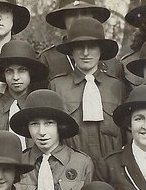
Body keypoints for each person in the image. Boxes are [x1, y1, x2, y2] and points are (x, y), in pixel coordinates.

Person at [11, 89, 94, 190]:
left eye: (49, 123)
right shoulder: (19, 163)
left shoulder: (82, 163)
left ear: (59, 126)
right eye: (34, 124)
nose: (41, 132)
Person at [48, 18, 125, 161]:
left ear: (101, 50)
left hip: (111, 170)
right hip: (71, 171)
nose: (85, 53)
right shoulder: (57, 86)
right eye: (79, 47)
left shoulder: (116, 87)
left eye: (92, 46)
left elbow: (127, 133)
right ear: (71, 51)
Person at [39, 0, 123, 80]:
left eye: (84, 13)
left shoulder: (112, 63)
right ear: (63, 18)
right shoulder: (48, 59)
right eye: (72, 14)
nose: (78, 19)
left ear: (93, 16)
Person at [0, 38, 49, 139]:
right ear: (3, 74)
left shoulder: (42, 106)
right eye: (9, 71)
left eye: (22, 70)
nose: (15, 77)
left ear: (30, 73)